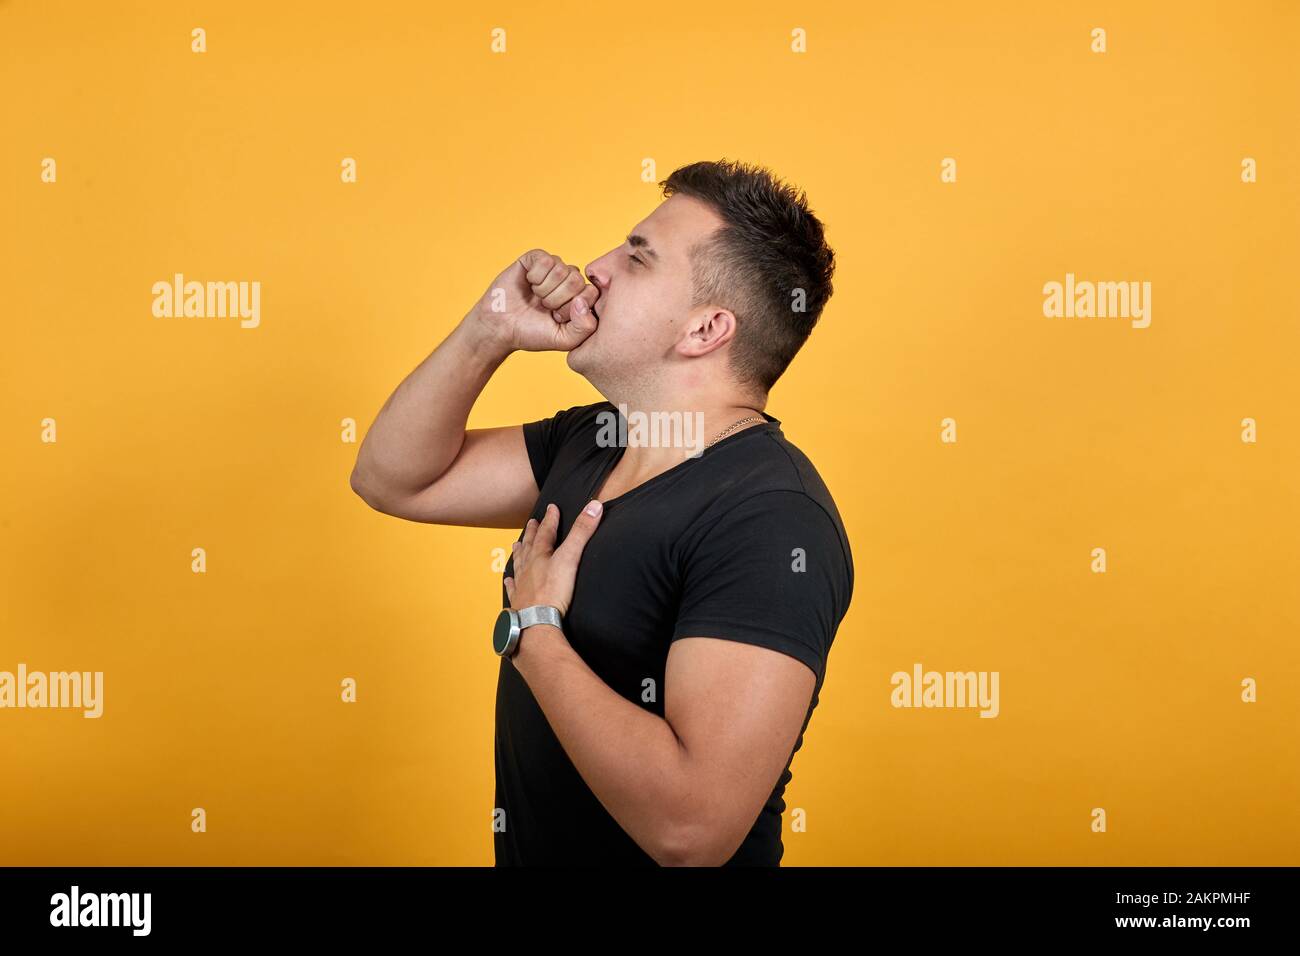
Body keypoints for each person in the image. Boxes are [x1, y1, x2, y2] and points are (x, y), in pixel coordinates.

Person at [350, 159, 853, 866]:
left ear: (705, 328)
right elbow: (391, 479)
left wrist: (536, 633)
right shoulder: (594, 439)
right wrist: (490, 327)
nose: (597, 268)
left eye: (638, 259)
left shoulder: (771, 521)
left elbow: (692, 832)